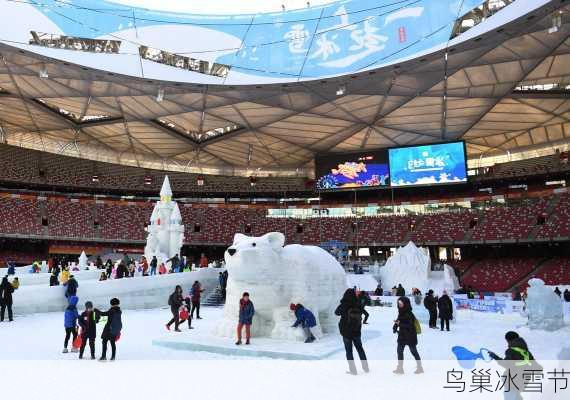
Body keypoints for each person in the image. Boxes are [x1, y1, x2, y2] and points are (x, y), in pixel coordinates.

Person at [488, 331, 541, 400]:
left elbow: (506, 364)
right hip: (523, 382)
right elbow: (538, 368)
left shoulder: (511, 351)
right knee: (516, 397)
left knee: (510, 397)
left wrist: (495, 356)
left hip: (511, 382)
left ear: (508, 340)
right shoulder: (526, 353)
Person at [335, 288, 368, 375]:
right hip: (356, 331)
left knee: (349, 351)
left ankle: (353, 370)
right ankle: (366, 368)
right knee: (360, 349)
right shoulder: (358, 303)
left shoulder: (344, 304)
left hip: (346, 332)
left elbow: (336, 312)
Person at [393, 296, 423, 374]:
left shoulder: (409, 313)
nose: (399, 305)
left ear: (405, 304)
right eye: (398, 303)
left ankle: (420, 367)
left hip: (410, 335)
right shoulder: (401, 312)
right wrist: (395, 326)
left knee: (413, 351)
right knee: (399, 351)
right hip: (402, 335)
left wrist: (399, 324)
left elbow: (409, 325)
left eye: (401, 303)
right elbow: (398, 319)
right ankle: (400, 368)